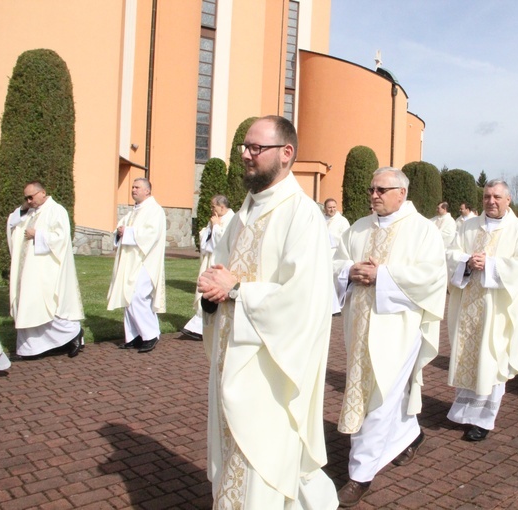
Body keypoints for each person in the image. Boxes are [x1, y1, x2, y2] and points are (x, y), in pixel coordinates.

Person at [197, 115, 337, 509]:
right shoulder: (241, 217)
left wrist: (236, 289)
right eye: (244, 147)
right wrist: (211, 293)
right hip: (231, 359)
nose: (246, 155)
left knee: (264, 462)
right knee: (233, 461)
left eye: (255, 148)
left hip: (270, 370)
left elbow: (303, 299)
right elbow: (220, 278)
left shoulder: (302, 215)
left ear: (286, 154)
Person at [333, 167, 446, 507]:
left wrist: (382, 275)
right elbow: (336, 260)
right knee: (374, 392)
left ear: (402, 193)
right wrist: (347, 271)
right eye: (371, 189)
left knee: (379, 397)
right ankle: (411, 435)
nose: (374, 195)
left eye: (382, 189)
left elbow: (431, 276)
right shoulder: (358, 228)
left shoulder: (423, 231)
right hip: (359, 326)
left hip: (399, 328)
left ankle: (359, 475)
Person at [446, 180, 518, 441]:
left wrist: (491, 264)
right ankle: (464, 412)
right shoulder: (468, 226)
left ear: (508, 200)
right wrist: (466, 261)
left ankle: (484, 419)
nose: (491, 201)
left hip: (498, 309)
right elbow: (450, 254)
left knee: (492, 358)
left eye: (497, 196)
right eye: (487, 196)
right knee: (468, 356)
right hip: (468, 306)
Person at [9, 181, 84, 359]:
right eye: (26, 197)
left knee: (44, 305)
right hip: (27, 269)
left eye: (31, 197)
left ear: (42, 193)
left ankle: (73, 333)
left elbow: (62, 238)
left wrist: (38, 235)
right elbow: (12, 224)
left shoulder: (56, 210)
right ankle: (33, 348)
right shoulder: (30, 212)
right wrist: (24, 207)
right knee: (28, 306)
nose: (28, 200)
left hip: (45, 268)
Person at [107, 177, 166, 353]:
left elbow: (151, 234)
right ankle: (134, 335)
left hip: (146, 261)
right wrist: (120, 232)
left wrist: (128, 232)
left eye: (137, 187)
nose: (133, 190)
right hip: (130, 261)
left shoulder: (155, 210)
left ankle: (150, 335)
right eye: (132, 187)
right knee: (128, 296)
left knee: (137, 296)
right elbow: (122, 227)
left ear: (147, 190)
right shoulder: (134, 211)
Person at [181, 195, 234, 341]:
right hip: (209, 261)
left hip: (220, 263)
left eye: (213, 206)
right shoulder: (216, 219)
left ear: (222, 207)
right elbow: (205, 240)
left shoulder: (232, 220)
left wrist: (216, 226)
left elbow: (223, 244)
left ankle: (199, 328)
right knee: (204, 294)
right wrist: (211, 228)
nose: (211, 209)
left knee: (211, 295)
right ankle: (199, 327)